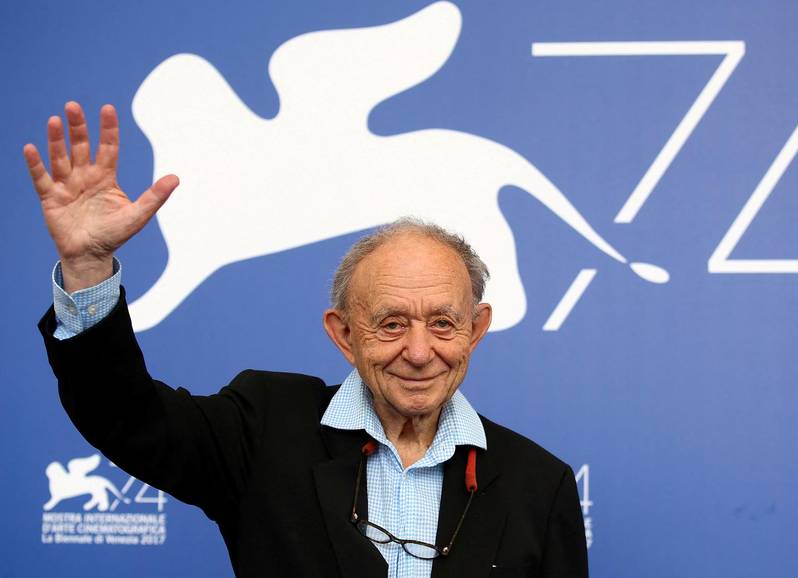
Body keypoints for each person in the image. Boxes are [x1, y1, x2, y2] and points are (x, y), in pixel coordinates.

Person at [26, 102, 588, 577]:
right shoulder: (264, 428)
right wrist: (88, 267)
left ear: (476, 329)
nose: (419, 353)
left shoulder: (540, 486)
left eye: (442, 323)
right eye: (391, 324)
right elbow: (125, 415)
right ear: (344, 334)